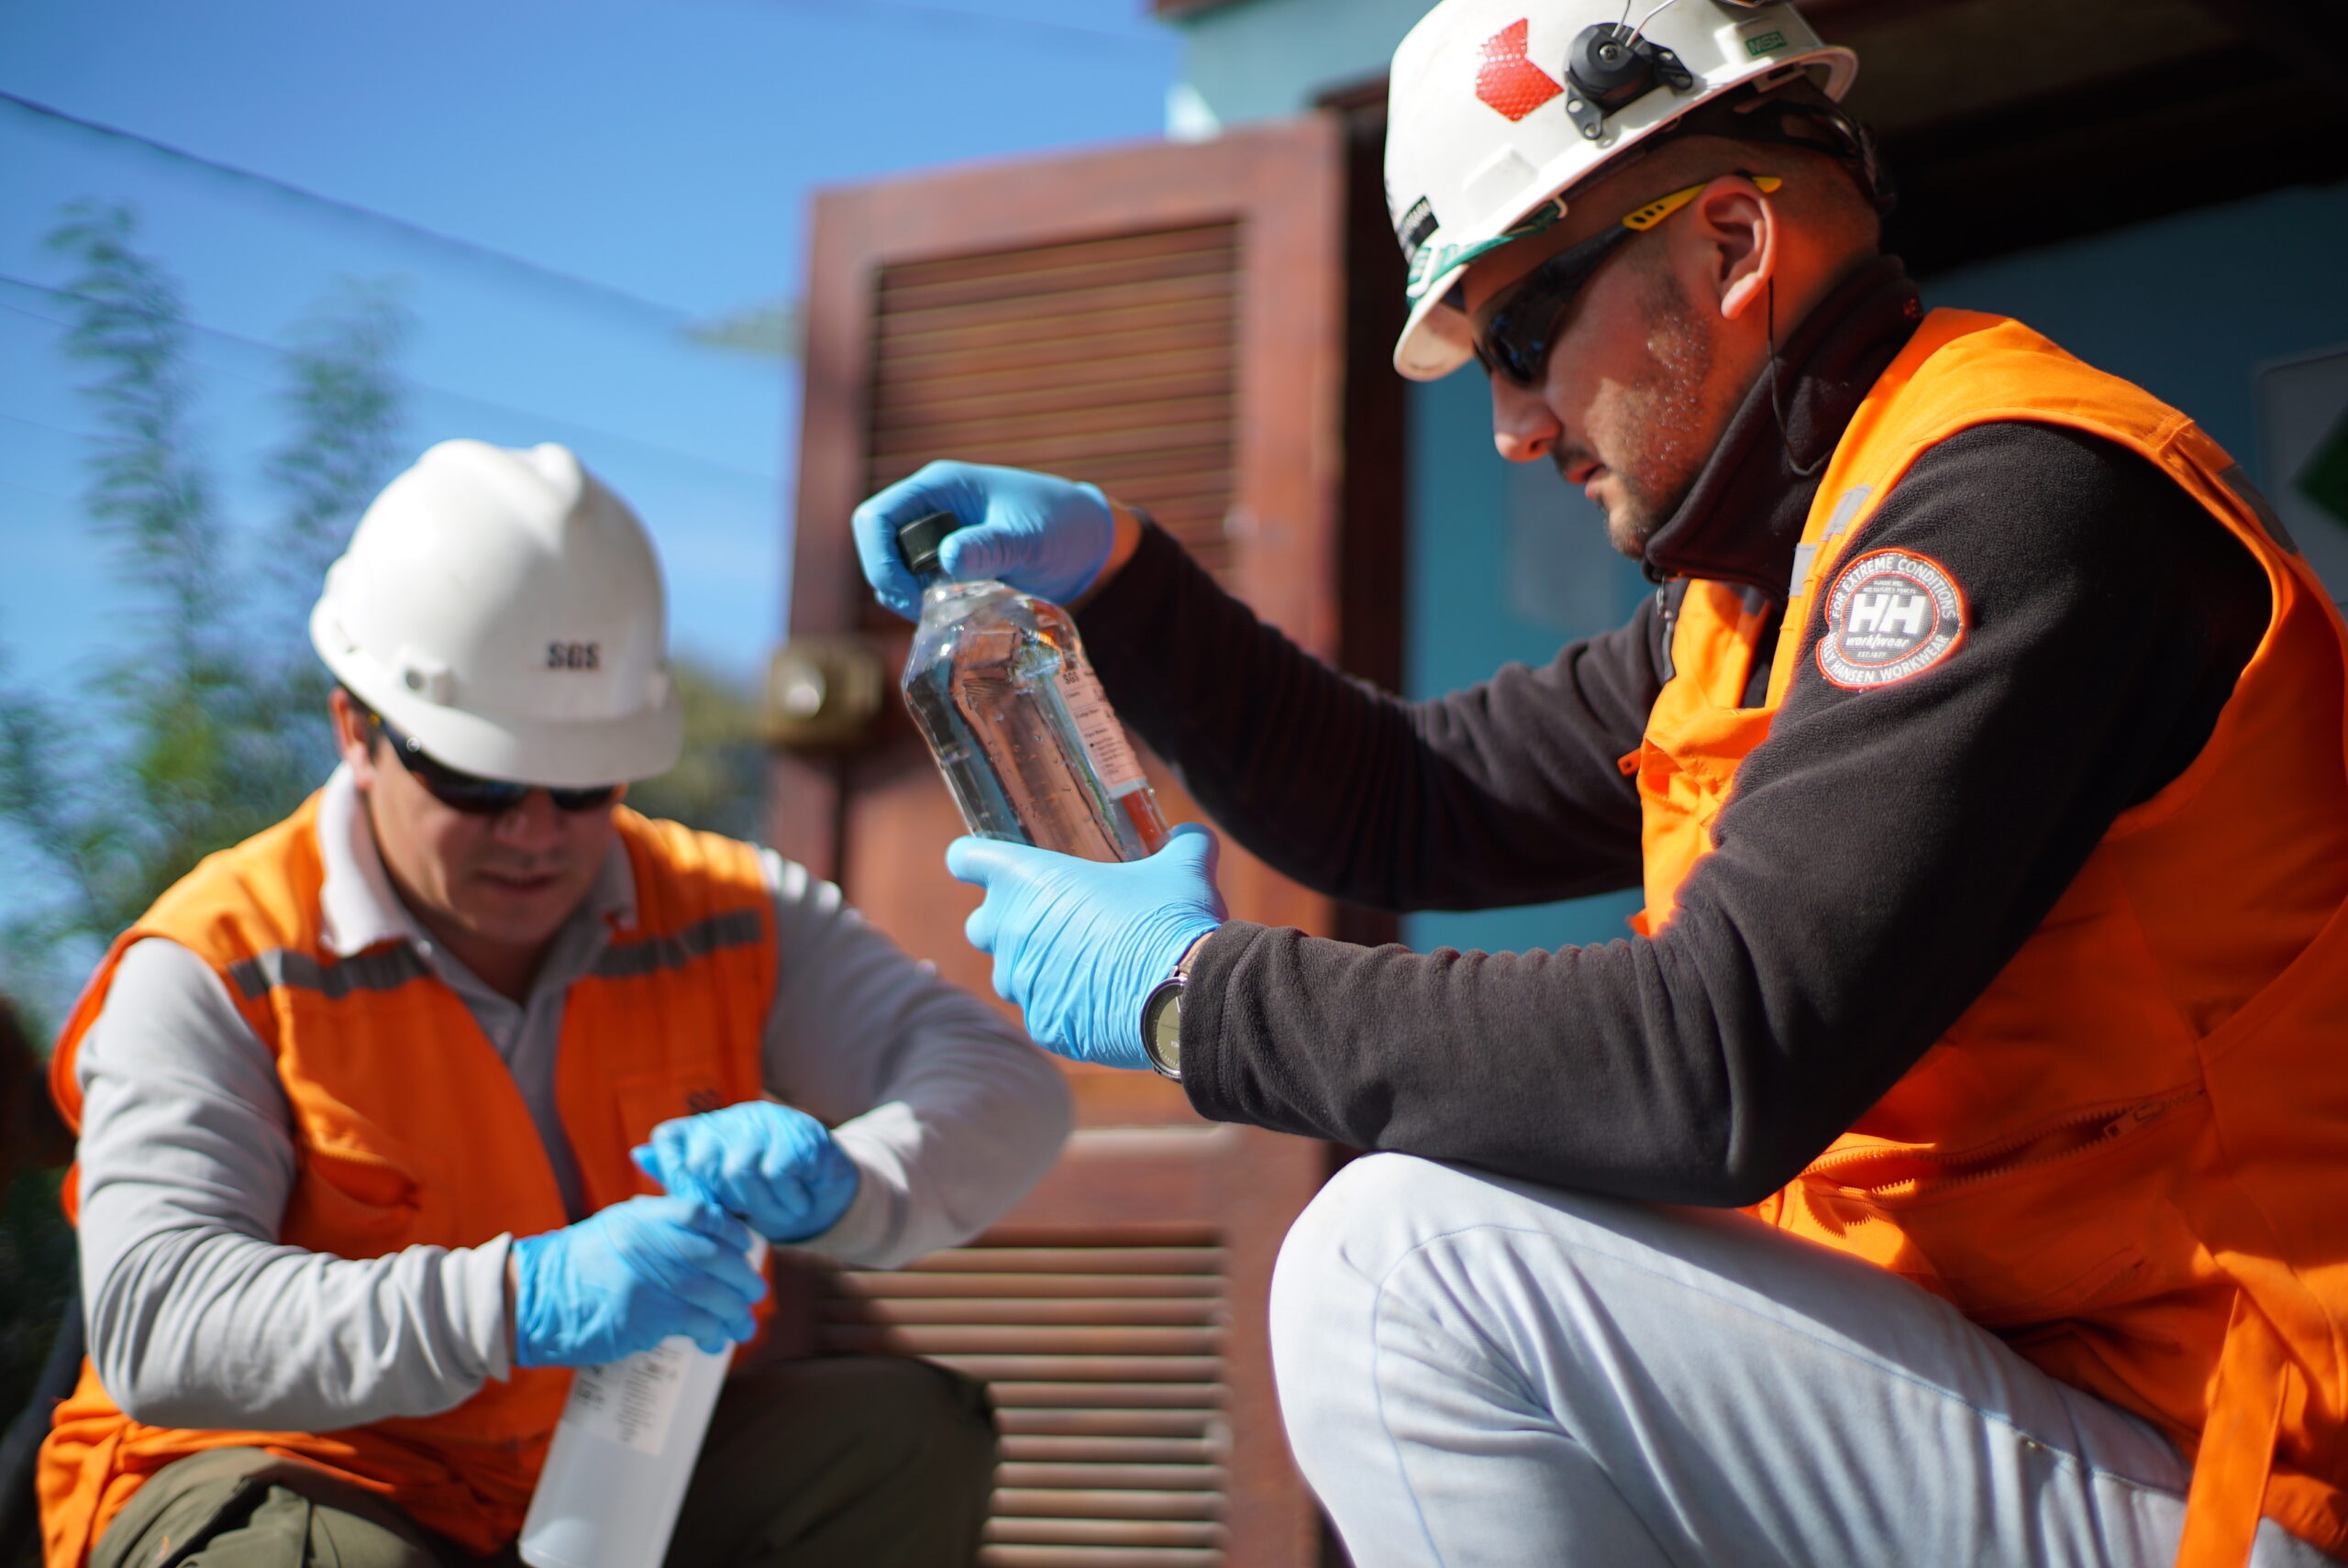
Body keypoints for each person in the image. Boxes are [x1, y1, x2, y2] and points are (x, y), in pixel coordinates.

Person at [845, 2, 2348, 1565]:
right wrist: (1129, 581)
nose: (1509, 426)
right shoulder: (1758, 588)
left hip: (2235, 1474)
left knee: (1398, 1259)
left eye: (1515, 339)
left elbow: (1717, 1062)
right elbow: (1405, 799)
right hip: (2026, 1409)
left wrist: (1193, 997)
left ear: (1724, 245)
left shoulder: (2017, 506)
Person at [39, 439, 1070, 1568]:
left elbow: (1005, 1088)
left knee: (899, 1439)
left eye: (582, 783)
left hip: (608, 1478)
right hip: (304, 1474)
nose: (535, 831)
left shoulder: (723, 907)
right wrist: (524, 1298)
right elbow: (160, 1323)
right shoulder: (216, 961)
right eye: (479, 780)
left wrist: (849, 1183)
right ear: (356, 730)